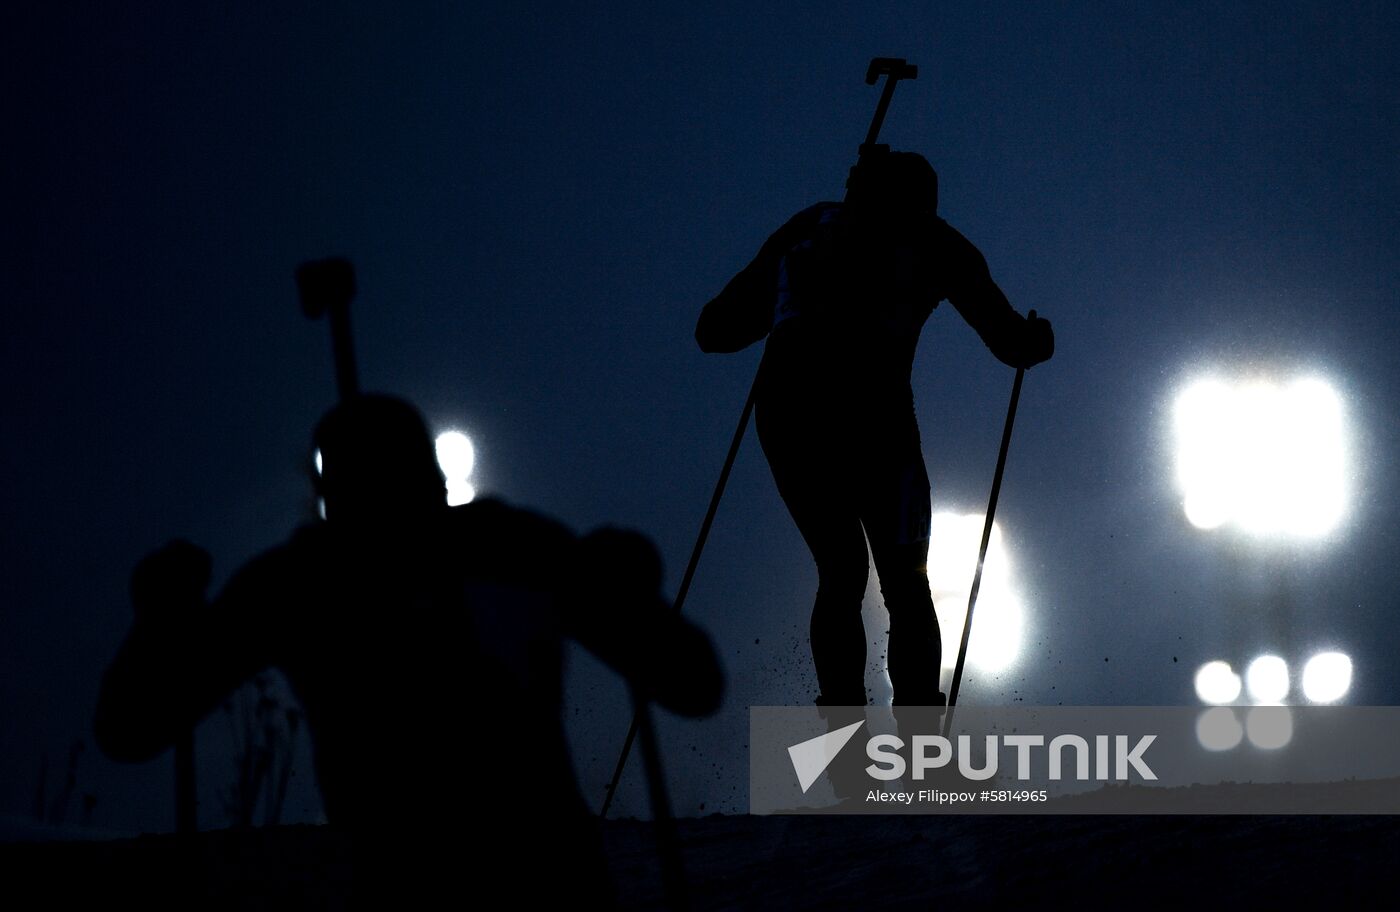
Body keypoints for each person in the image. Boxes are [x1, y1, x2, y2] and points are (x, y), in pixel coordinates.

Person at [94, 393, 723, 902]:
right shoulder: (512, 546)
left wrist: (159, 621)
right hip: (551, 882)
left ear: (324, 496)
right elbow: (692, 683)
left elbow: (133, 726)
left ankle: (823, 788)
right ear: (435, 478)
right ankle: (825, 790)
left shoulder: (299, 582)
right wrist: (631, 598)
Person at [695, 150, 1052, 708]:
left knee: (840, 570)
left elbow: (715, 329)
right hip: (875, 417)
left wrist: (789, 298)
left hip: (790, 411)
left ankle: (846, 762)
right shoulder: (934, 239)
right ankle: (917, 759)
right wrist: (1035, 340)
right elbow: (1011, 344)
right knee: (905, 583)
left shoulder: (811, 226)